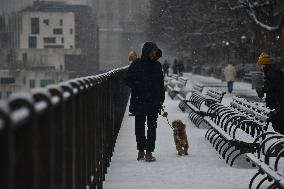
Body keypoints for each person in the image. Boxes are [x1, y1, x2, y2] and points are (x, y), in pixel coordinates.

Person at [125, 42, 165, 162]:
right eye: (152, 52)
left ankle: (148, 152)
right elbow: (127, 79)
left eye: (155, 52)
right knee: (141, 127)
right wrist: (137, 85)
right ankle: (141, 151)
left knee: (150, 127)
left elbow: (160, 84)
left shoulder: (157, 66)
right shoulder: (137, 64)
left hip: (150, 101)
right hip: (140, 100)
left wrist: (161, 99)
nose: (153, 54)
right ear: (147, 52)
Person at [256, 52, 284, 135]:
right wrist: (262, 89)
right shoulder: (270, 71)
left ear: (264, 64)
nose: (260, 67)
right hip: (276, 102)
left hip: (277, 103)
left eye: (260, 64)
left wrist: (263, 89)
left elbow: (275, 87)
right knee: (277, 124)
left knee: (279, 124)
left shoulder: (272, 73)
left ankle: (281, 142)